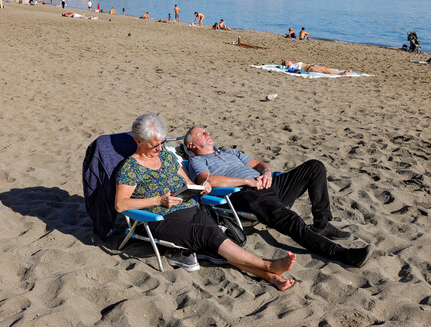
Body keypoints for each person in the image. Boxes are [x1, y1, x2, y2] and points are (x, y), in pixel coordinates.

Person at [115, 115, 296, 290]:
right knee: (209, 234)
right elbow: (121, 204)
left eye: (163, 143)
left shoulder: (167, 157)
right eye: (155, 145)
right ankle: (269, 265)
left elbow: (189, 183)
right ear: (139, 141)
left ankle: (271, 277)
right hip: (161, 218)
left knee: (219, 241)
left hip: (191, 208)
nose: (161, 148)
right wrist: (158, 200)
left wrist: (202, 187)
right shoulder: (130, 167)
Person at [184, 127, 374, 268]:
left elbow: (260, 163)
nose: (207, 134)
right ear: (191, 145)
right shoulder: (196, 161)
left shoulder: (229, 152)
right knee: (291, 219)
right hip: (247, 194)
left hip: (268, 183)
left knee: (315, 167)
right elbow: (208, 179)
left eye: (207, 131)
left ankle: (321, 223)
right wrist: (248, 181)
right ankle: (342, 254)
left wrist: (266, 172)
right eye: (201, 134)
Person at [281, 60, 353, 75]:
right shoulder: (291, 66)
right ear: (286, 64)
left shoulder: (293, 64)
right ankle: (342, 73)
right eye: (287, 61)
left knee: (326, 69)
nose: (288, 60)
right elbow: (291, 70)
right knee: (325, 71)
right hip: (309, 69)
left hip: (311, 66)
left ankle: (342, 72)